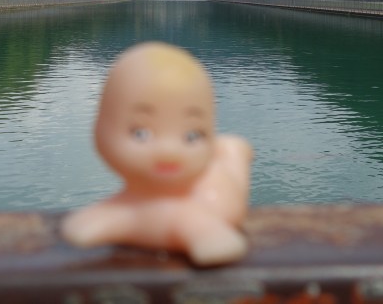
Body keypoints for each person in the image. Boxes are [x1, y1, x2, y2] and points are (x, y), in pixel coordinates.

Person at [61, 42, 253, 266]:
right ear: (100, 130)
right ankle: (225, 147)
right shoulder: (127, 204)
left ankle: (233, 151)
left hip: (219, 187)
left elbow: (218, 241)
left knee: (233, 169)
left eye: (192, 136)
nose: (169, 151)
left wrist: (209, 240)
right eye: (141, 133)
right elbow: (113, 218)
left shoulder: (188, 214)